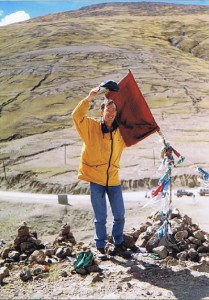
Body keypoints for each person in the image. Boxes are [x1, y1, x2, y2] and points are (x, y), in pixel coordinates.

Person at [72, 86, 131, 260]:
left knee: (119, 214)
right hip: (95, 179)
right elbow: (76, 116)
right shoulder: (90, 127)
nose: (111, 113)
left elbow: (137, 131)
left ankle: (118, 243)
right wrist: (90, 97)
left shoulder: (121, 132)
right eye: (108, 110)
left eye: (114, 110)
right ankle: (100, 246)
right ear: (102, 111)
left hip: (113, 179)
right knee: (101, 217)